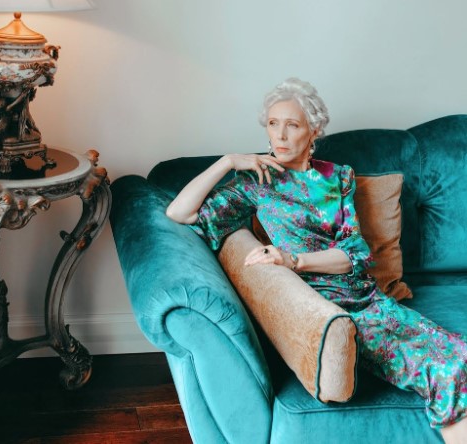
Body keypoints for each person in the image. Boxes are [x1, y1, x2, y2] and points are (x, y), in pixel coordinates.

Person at [164, 77, 467, 442]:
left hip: (369, 298)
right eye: (273, 124)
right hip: (332, 310)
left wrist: (295, 259)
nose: (280, 135)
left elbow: (355, 255)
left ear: (314, 131)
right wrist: (227, 161)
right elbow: (179, 213)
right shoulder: (255, 182)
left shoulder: (337, 178)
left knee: (460, 355)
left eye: (292, 125)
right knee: (444, 370)